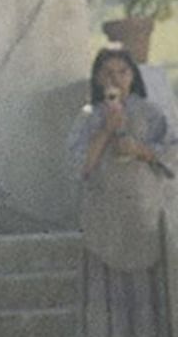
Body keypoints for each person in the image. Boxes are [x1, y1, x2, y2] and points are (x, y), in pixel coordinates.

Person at [68, 47, 175, 337]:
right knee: (107, 295)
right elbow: (79, 166)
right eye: (108, 73)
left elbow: (172, 152)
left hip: (143, 214)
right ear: (98, 78)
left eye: (122, 72)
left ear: (133, 76)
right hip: (104, 214)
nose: (115, 78)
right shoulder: (88, 117)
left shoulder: (151, 113)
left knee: (146, 297)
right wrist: (105, 131)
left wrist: (140, 150)